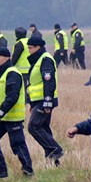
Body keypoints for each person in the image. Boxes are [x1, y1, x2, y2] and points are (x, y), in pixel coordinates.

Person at [0, 47, 33, 179]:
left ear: (7, 58)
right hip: (2, 118)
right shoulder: (2, 73)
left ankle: (28, 171)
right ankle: (0, 170)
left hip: (12, 117)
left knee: (18, 144)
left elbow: (12, 97)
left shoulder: (12, 73)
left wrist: (0, 112)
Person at [26, 36, 64, 166]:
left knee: (33, 127)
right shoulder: (38, 59)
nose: (29, 50)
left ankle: (55, 149)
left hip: (44, 100)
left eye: (30, 48)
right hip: (38, 100)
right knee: (44, 129)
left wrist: (47, 103)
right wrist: (32, 103)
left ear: (38, 47)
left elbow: (49, 82)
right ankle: (53, 162)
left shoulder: (45, 59)